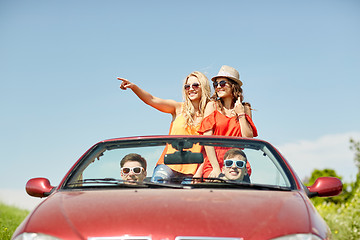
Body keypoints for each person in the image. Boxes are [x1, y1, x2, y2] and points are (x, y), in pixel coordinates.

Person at [117, 71, 211, 183]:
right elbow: (152, 100)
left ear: (203, 86)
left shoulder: (210, 112)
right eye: (187, 86)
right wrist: (133, 87)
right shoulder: (178, 108)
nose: (191, 89)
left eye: (195, 85)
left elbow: (208, 148)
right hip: (168, 165)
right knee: (157, 187)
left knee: (187, 198)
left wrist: (199, 172)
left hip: (193, 170)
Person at [197, 65, 258, 179]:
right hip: (214, 162)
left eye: (222, 83)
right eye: (216, 84)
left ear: (233, 85)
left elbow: (248, 139)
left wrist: (240, 114)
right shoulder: (212, 106)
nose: (218, 87)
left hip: (237, 165)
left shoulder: (245, 108)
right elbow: (207, 140)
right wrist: (216, 168)